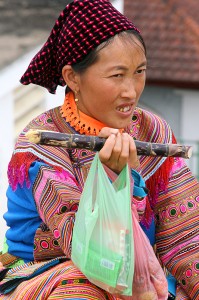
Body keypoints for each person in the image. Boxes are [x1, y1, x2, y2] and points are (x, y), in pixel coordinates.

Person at [0, 0, 198, 299]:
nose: (131, 91)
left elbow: (186, 236)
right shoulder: (41, 143)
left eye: (139, 71)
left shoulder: (152, 131)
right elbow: (89, 253)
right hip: (49, 272)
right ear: (72, 77)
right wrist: (117, 180)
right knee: (82, 287)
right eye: (117, 75)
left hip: (141, 271)